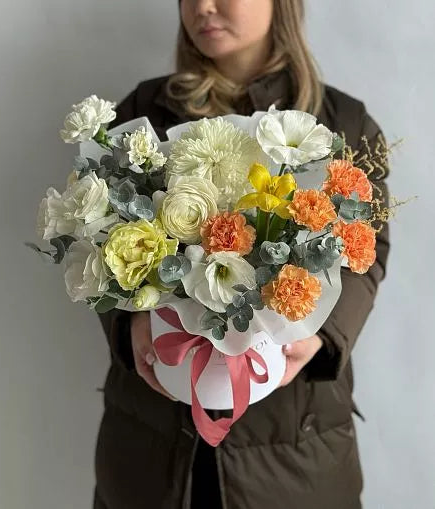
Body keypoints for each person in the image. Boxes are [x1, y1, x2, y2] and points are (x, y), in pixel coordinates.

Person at [92, 1, 390, 508]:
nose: (201, 7)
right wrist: (131, 326)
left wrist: (321, 333)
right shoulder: (143, 113)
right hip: (153, 437)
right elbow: (98, 241)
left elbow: (370, 249)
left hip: (296, 438)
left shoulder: (343, 123)